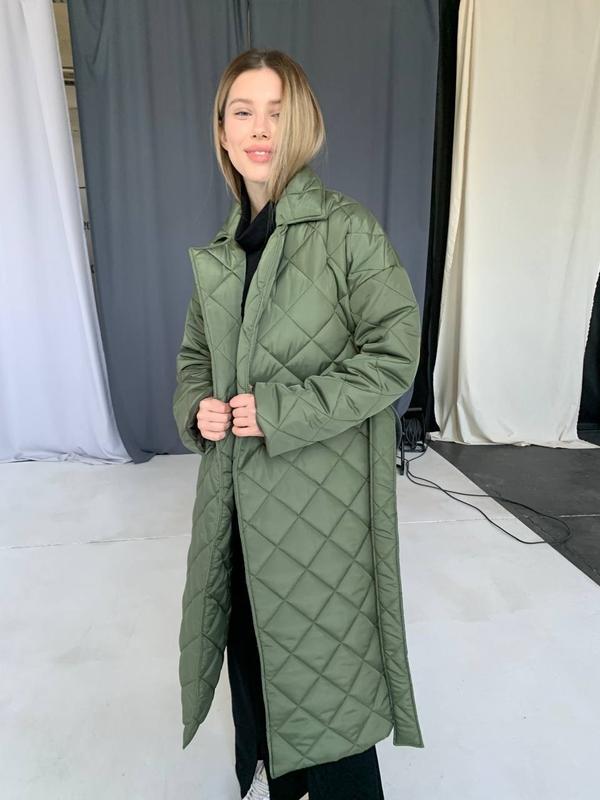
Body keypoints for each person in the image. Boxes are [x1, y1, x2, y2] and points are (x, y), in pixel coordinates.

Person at [173, 48, 424, 800]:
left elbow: (394, 357)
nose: (260, 129)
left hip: (320, 512)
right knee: (253, 657)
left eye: (277, 114)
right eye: (243, 112)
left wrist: (280, 409)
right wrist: (198, 409)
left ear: (303, 126)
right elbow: (195, 359)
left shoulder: (347, 231)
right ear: (222, 131)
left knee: (327, 681)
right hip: (236, 510)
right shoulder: (222, 252)